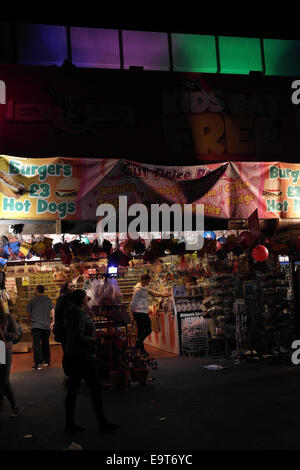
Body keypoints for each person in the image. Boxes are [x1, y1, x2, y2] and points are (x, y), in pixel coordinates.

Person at [63, 289, 119, 435]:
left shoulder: (72, 312)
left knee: (74, 390)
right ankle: (102, 422)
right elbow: (78, 335)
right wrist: (94, 339)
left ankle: (70, 424)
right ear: (82, 300)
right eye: (86, 299)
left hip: (73, 355)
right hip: (81, 355)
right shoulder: (77, 313)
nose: (87, 301)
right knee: (94, 388)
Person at [131, 273, 167, 356]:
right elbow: (133, 303)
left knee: (141, 331)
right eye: (149, 280)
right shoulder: (138, 290)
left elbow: (152, 292)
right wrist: (132, 314)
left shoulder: (145, 287)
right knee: (148, 329)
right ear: (145, 280)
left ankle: (141, 349)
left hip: (143, 311)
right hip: (139, 312)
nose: (150, 282)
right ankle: (137, 345)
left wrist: (162, 295)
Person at [26, 285, 55, 370]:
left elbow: (28, 314)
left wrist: (30, 321)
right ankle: (46, 361)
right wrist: (53, 321)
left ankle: (38, 364)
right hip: (46, 326)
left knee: (37, 344)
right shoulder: (48, 299)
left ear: (36, 290)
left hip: (36, 326)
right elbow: (53, 310)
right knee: (46, 343)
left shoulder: (32, 301)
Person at [0, 302, 20, 417]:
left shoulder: (7, 317)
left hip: (3, 349)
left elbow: (16, 335)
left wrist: (4, 333)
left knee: (4, 380)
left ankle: (14, 406)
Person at [53, 281, 74, 351]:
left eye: (73, 286)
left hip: (69, 326)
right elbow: (59, 313)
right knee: (66, 348)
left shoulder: (71, 298)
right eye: (70, 286)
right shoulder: (62, 298)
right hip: (64, 327)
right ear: (66, 288)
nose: (73, 288)